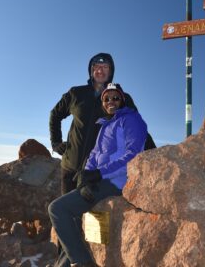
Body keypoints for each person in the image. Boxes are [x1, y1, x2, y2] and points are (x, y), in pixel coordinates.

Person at [48, 83, 147, 267]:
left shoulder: (131, 120)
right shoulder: (105, 125)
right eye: (106, 98)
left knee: (57, 209)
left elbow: (133, 155)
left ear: (122, 101)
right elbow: (94, 154)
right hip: (101, 180)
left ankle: (82, 263)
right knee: (74, 218)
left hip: (116, 182)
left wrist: (99, 174)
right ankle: (67, 262)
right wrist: (86, 174)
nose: (111, 101)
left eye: (115, 98)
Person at [49, 53, 138, 195]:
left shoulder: (121, 98)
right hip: (70, 168)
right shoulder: (76, 93)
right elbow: (55, 114)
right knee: (67, 211)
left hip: (99, 172)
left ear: (111, 71)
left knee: (96, 216)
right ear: (91, 70)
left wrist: (150, 155)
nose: (100, 70)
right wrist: (56, 142)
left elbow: (135, 129)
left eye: (105, 67)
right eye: (96, 67)